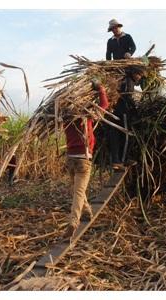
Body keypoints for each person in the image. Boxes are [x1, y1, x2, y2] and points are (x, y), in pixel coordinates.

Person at [63, 80, 109, 238]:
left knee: (78, 190)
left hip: (70, 159)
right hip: (83, 159)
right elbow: (104, 105)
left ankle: (87, 212)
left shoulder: (66, 119)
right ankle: (73, 221)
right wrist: (101, 89)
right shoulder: (86, 117)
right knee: (79, 191)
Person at [109, 67, 145, 171]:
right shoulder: (129, 81)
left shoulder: (125, 79)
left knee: (118, 136)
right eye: (139, 75)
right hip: (123, 112)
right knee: (126, 135)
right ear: (134, 73)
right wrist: (135, 108)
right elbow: (127, 97)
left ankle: (119, 160)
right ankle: (122, 160)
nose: (139, 77)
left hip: (117, 112)